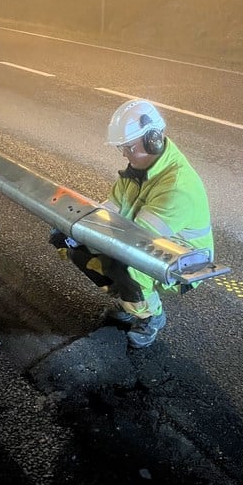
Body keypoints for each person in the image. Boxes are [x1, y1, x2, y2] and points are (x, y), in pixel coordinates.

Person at [49, 99, 214, 349]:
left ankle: (151, 316)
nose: (124, 154)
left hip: (183, 257)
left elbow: (136, 240)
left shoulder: (178, 187)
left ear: (153, 140)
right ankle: (128, 302)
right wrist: (74, 227)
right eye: (121, 148)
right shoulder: (138, 170)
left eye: (128, 147)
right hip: (144, 236)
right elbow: (110, 210)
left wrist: (90, 237)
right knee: (74, 244)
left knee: (125, 265)